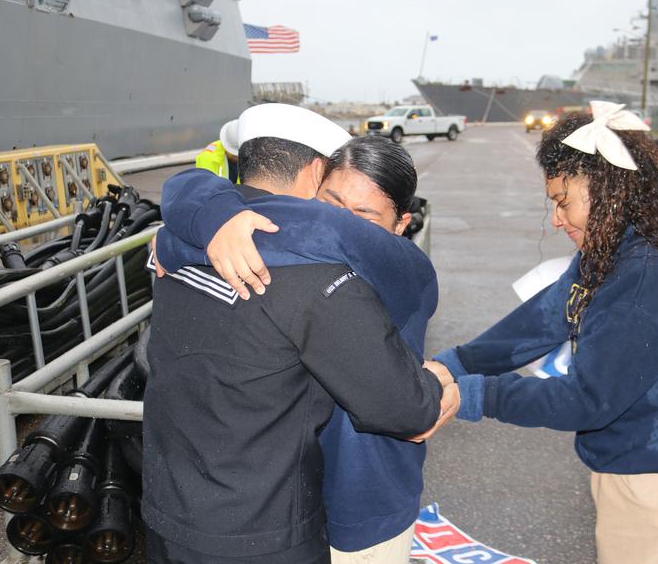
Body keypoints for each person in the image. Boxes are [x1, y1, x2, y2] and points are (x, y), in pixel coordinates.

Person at [426, 102, 658, 564]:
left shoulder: (648, 274)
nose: (556, 219)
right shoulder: (617, 242)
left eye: (562, 201)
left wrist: (474, 395)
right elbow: (549, 315)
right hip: (638, 465)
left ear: (608, 192)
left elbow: (588, 399)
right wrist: (454, 364)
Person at [144, 104, 452, 563]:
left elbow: (193, 191)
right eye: (333, 199)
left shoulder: (185, 245)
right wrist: (440, 384)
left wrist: (183, 223)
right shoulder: (319, 280)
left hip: (169, 510)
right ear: (315, 174)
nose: (345, 219)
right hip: (263, 530)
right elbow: (407, 409)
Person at [195, 118, 241, 183]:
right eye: (234, 153)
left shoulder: (256, 154)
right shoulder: (207, 158)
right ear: (225, 145)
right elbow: (207, 188)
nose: (237, 157)